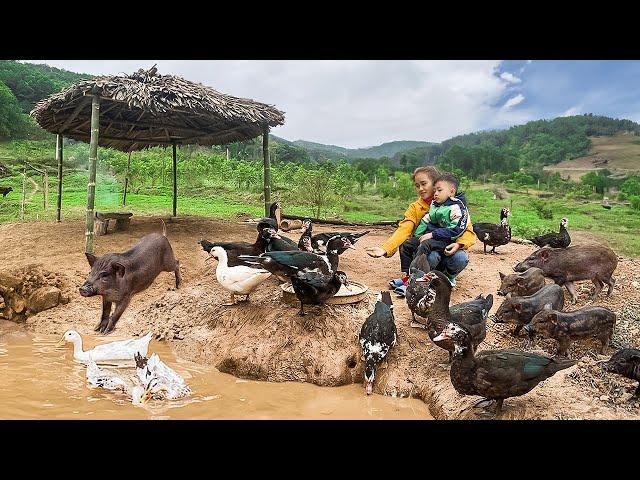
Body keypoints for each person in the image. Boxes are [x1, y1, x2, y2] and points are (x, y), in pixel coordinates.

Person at [365, 166, 476, 295]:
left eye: (424, 184)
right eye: (417, 186)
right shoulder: (416, 208)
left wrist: (459, 244)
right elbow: (404, 229)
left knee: (461, 257)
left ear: (435, 184)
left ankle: (445, 278)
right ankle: (412, 278)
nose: (420, 189)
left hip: (446, 249)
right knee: (428, 254)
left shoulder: (455, 206)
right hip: (424, 251)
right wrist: (385, 248)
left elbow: (468, 230)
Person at [413, 172, 470, 258]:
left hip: (446, 241)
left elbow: (458, 229)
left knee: (459, 258)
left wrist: (459, 244)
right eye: (434, 190)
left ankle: (418, 270)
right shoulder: (436, 205)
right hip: (432, 238)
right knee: (407, 244)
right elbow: (427, 219)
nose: (435, 193)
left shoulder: (457, 208)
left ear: (451, 191)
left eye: (439, 190)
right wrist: (417, 236)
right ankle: (407, 270)